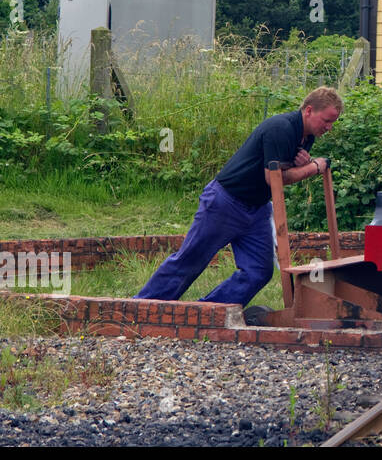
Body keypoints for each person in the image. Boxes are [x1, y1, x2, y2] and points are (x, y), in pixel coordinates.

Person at [136, 87, 343, 305]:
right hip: (226, 202)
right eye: (327, 121)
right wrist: (314, 167)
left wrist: (301, 164)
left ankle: (210, 311)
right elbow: (273, 178)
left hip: (257, 208)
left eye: (332, 123)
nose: (328, 128)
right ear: (309, 110)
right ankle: (143, 307)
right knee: (190, 260)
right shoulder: (281, 128)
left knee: (259, 271)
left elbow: (286, 170)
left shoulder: (306, 136)